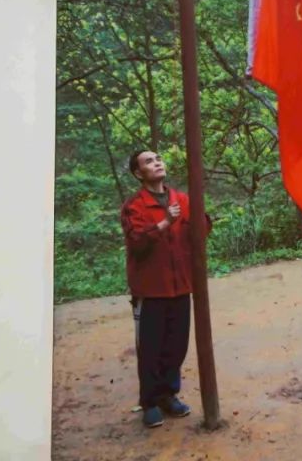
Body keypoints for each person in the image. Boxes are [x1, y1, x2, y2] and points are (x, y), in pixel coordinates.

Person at [120, 150, 211, 428]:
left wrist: (202, 216)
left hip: (180, 286)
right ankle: (149, 402)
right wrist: (164, 223)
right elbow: (137, 242)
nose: (157, 162)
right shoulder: (135, 206)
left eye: (158, 158)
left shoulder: (181, 199)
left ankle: (168, 395)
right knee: (150, 349)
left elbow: (200, 232)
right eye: (148, 161)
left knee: (176, 346)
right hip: (151, 290)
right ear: (138, 173)